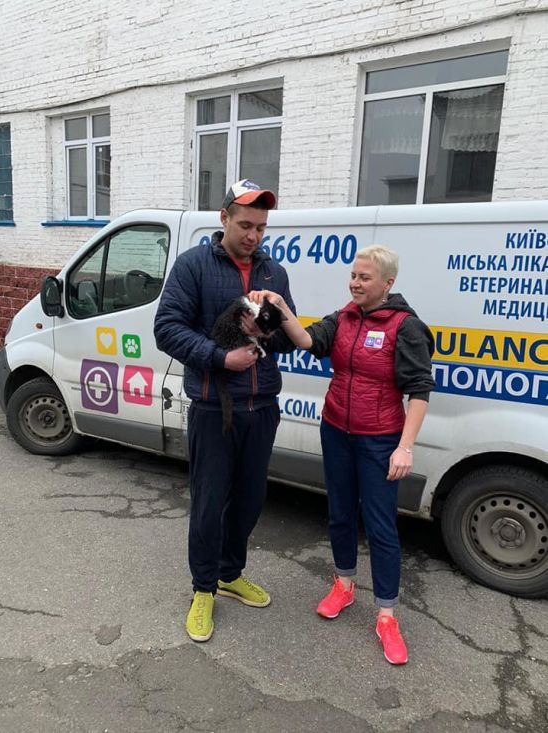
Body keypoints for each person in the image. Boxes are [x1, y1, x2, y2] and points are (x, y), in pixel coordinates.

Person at [248, 245, 435, 665]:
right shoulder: (344, 317)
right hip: (336, 431)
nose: (355, 283)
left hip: (379, 439)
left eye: (364, 278)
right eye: (353, 275)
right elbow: (308, 341)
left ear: (387, 283)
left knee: (381, 526)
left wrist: (405, 447)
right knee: (340, 514)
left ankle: (386, 615)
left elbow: (420, 390)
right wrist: (279, 305)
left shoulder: (405, 326)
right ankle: (344, 585)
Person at [154, 179, 296, 643]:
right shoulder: (193, 265)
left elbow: (287, 336)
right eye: (245, 225)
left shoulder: (274, 273)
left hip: (263, 406)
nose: (253, 235)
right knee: (209, 504)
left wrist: (270, 330)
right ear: (224, 218)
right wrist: (221, 358)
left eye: (261, 228)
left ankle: (230, 574)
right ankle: (203, 589)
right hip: (214, 408)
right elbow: (167, 328)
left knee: (250, 500)